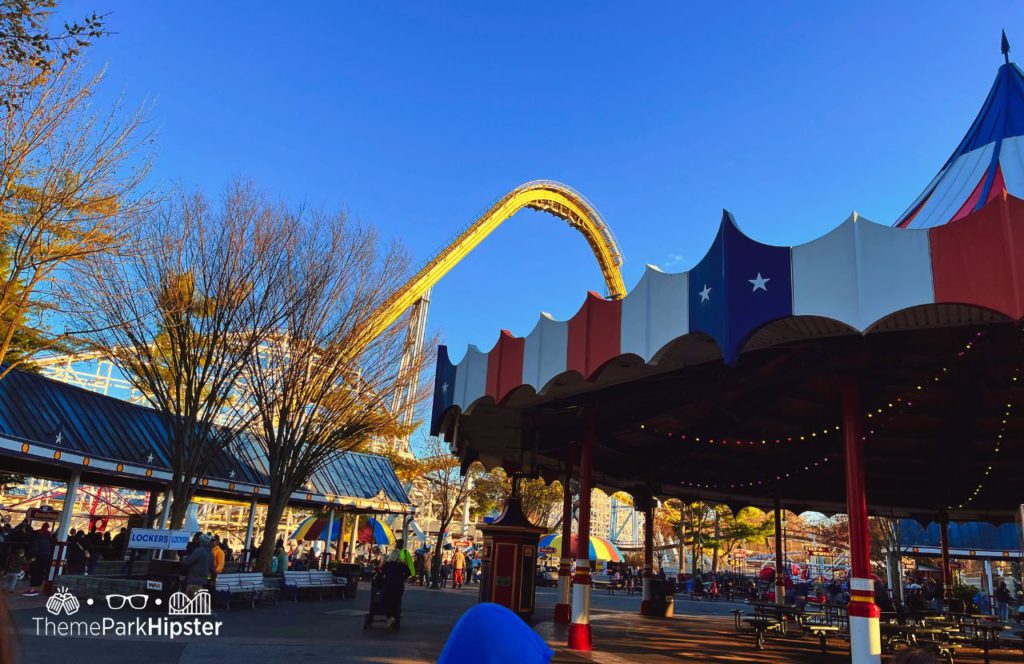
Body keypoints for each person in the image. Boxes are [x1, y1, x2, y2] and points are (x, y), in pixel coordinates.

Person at [381, 539, 415, 630]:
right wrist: (405, 577)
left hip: (389, 585)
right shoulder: (402, 561)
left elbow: (382, 572)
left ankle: (390, 617)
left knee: (386, 600)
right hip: (399, 585)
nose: (397, 544)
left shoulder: (403, 553)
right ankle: (394, 619)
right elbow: (409, 567)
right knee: (396, 603)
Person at [23, 524, 52, 596]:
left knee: (35, 572)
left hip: (38, 557)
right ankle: (35, 589)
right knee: (40, 573)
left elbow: (34, 549)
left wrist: (30, 556)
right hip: (46, 557)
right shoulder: (46, 538)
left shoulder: (36, 539)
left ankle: (32, 590)